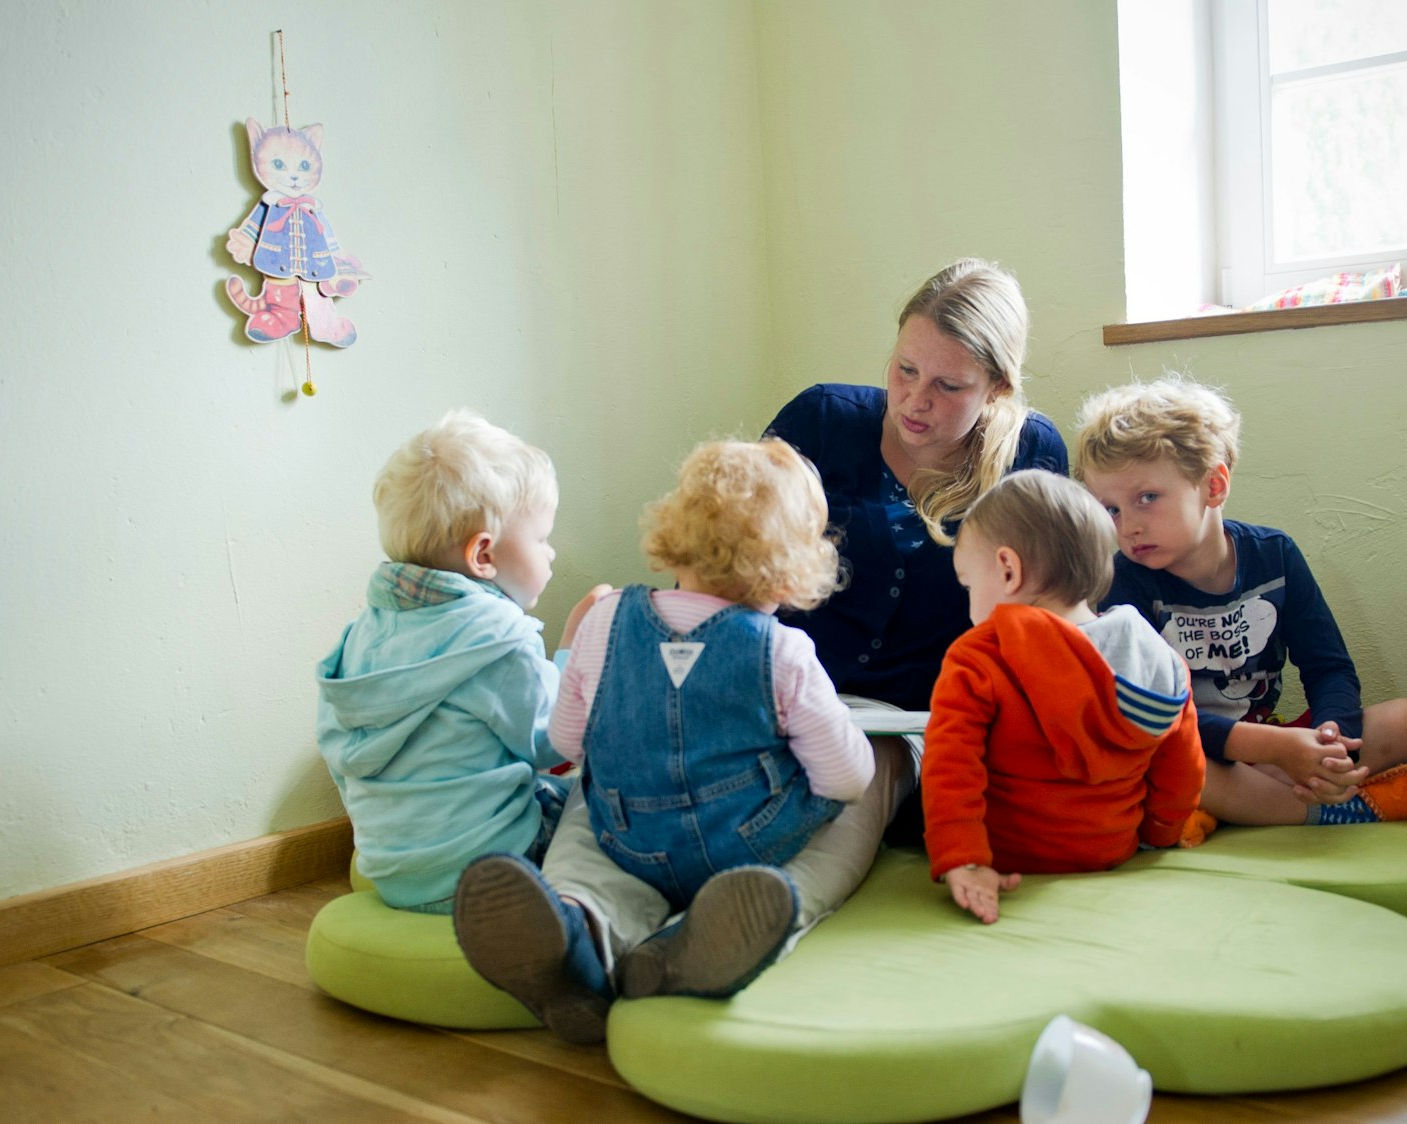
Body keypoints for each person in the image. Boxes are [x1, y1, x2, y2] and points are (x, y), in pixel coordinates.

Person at [452, 438, 875, 1043]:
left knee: (583, 805)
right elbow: (845, 778)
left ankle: (582, 932)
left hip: (632, 838)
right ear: (790, 566)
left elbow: (568, 739)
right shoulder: (783, 653)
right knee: (859, 801)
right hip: (746, 846)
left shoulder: (604, 621)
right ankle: (683, 948)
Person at [1075, 378, 1407, 827]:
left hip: (1270, 747)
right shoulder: (1121, 583)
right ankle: (1337, 809)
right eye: (1111, 508)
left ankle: (1276, 797)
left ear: (1213, 487)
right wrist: (1274, 750)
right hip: (1192, 746)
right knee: (1162, 761)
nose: (1128, 526)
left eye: (1147, 498)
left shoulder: (1274, 555)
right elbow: (1148, 715)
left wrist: (1333, 741)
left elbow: (1328, 667)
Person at [763, 258, 1070, 847]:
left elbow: (1049, 621)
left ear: (997, 388)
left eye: (947, 386)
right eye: (905, 369)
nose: (913, 399)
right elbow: (733, 557)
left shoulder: (1031, 457)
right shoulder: (821, 420)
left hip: (914, 725)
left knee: (861, 781)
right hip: (788, 694)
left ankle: (775, 902)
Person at [315, 410, 598, 916]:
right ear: (483, 556)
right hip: (494, 871)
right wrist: (573, 646)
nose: (551, 554)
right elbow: (556, 744)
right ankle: (585, 918)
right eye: (541, 538)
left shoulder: (360, 636)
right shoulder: (500, 639)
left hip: (395, 872)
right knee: (598, 806)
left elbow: (341, 755)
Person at [922, 470, 1206, 924]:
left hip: (1008, 854)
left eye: (969, 584)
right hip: (1112, 849)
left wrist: (964, 858)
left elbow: (951, 765)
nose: (969, 601)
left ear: (1008, 570)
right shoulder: (1158, 656)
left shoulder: (980, 654)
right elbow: (1183, 766)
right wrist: (1162, 832)